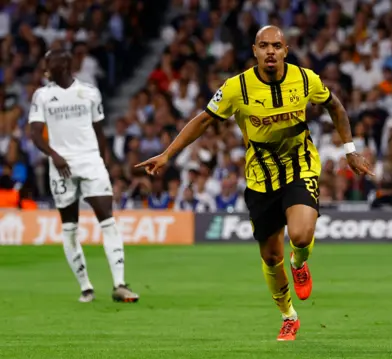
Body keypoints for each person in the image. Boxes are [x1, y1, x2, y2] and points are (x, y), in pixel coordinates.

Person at [136, 26, 373, 341]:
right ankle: (289, 316)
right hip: (261, 180)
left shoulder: (306, 80)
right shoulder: (237, 88)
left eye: (277, 45)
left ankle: (300, 262)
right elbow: (204, 119)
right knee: (271, 257)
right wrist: (168, 154)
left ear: (286, 50)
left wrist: (350, 151)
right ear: (255, 50)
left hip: (300, 167)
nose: (271, 51)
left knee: (301, 235)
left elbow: (336, 107)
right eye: (264, 46)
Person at [28, 50, 139, 303]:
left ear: (65, 64)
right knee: (69, 228)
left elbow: (99, 132)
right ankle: (86, 286)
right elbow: (35, 134)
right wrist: (53, 155)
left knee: (107, 221)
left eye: (50, 62)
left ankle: (120, 284)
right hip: (61, 167)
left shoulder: (89, 92)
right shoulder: (42, 96)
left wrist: (102, 161)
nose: (45, 67)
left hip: (90, 162)